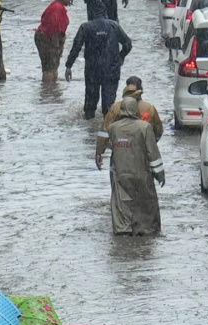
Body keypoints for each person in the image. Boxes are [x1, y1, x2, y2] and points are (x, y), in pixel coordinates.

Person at [102, 96, 165, 236]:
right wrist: (160, 175)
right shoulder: (145, 127)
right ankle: (145, 231)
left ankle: (123, 231)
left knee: (121, 204)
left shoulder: (113, 128)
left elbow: (107, 143)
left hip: (120, 174)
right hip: (141, 173)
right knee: (146, 203)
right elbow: (153, 154)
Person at [64, 15, 132, 120]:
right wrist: (120, 57)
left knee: (90, 105)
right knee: (109, 106)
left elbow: (76, 47)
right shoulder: (114, 26)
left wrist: (69, 65)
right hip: (111, 70)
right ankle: (107, 131)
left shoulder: (85, 27)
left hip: (92, 70)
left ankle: (89, 132)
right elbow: (128, 44)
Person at [97, 78, 164, 160]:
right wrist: (150, 144)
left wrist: (100, 151)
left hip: (120, 150)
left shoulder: (116, 107)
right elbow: (158, 130)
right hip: (142, 152)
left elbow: (105, 131)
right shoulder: (149, 108)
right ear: (141, 90)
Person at [35, 0, 70, 83]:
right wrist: (57, 45)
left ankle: (51, 90)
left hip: (48, 38)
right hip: (47, 38)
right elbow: (53, 28)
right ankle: (48, 90)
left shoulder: (57, 6)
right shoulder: (57, 7)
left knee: (52, 67)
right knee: (49, 69)